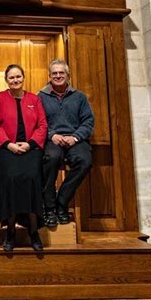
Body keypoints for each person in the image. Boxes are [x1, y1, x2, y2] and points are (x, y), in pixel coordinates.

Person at [0, 65, 48, 252]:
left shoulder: (35, 99)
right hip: (7, 148)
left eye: (18, 77)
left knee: (32, 178)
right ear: (6, 80)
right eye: (11, 78)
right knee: (10, 180)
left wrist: (30, 144)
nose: (15, 80)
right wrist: (9, 144)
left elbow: (42, 125)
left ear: (23, 78)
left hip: (31, 148)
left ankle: (34, 231)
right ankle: (10, 232)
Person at [38, 59, 94, 228]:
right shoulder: (40, 97)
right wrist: (51, 135)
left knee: (85, 161)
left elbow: (88, 121)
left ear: (68, 76)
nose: (58, 76)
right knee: (50, 158)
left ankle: (61, 202)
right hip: (52, 140)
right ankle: (49, 208)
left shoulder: (79, 97)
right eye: (54, 73)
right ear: (49, 76)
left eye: (61, 73)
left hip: (75, 140)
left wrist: (76, 137)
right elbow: (37, 122)